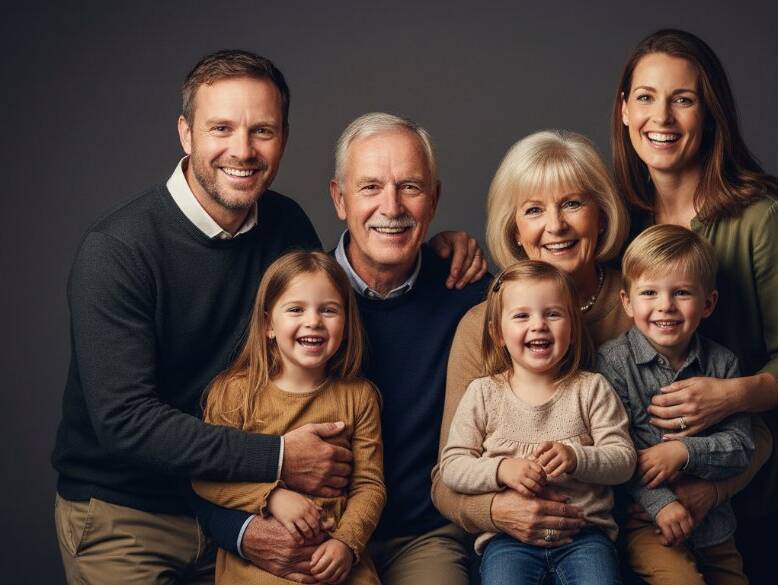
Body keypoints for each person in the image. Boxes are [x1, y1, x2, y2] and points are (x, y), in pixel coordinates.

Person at [52, 49, 483, 584]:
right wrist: (276, 460)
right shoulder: (118, 251)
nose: (243, 150)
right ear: (186, 134)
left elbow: (333, 312)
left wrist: (439, 248)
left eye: (263, 131)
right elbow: (126, 424)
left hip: (258, 507)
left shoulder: (285, 225)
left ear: (283, 138)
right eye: (222, 128)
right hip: (131, 512)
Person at [432, 129, 771, 560]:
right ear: (514, 229)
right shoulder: (484, 324)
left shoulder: (652, 300)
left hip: (656, 535)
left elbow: (755, 430)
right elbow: (446, 477)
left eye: (573, 203)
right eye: (534, 210)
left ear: (602, 215)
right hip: (519, 546)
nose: (555, 225)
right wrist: (498, 511)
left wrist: (714, 490)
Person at [196, 113, 491, 585]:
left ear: (434, 201)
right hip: (302, 532)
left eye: (410, 187)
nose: (391, 206)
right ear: (339, 198)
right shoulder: (289, 301)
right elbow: (211, 456)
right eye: (370, 187)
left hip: (420, 536)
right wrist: (248, 525)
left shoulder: (469, 294)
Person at [611, 29, 778, 584]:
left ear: (710, 114)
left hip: (762, 494)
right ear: (625, 111)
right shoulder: (618, 218)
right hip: (651, 507)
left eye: (683, 99)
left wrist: (729, 395)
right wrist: (451, 250)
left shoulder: (762, 220)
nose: (662, 116)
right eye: (646, 97)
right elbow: (541, 254)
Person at [193, 251, 385, 585]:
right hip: (258, 572)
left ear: (346, 321)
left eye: (328, 310)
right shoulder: (234, 393)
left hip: (336, 566)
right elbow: (205, 479)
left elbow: (369, 486)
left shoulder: (360, 396)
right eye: (296, 309)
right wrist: (272, 497)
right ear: (268, 324)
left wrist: (347, 543)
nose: (313, 321)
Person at [440, 260, 635, 585]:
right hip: (507, 541)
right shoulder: (484, 394)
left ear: (572, 330)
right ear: (498, 334)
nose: (539, 325)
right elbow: (452, 466)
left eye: (553, 314)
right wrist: (501, 470)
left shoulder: (591, 388)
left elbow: (624, 461)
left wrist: (577, 458)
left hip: (585, 536)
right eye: (521, 316)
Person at [598, 225, 755, 585]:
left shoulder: (723, 365)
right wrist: (662, 505)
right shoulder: (612, 364)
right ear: (627, 302)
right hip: (646, 523)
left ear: (708, 303)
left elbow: (742, 446)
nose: (665, 305)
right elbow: (617, 451)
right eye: (649, 292)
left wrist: (685, 452)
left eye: (681, 292)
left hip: (714, 524)